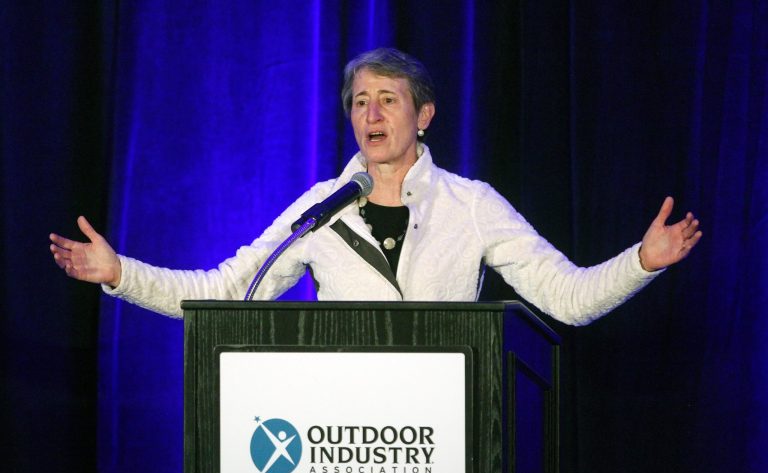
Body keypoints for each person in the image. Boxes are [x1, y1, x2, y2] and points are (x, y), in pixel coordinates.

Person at [49, 48, 702, 326]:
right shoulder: (319, 210)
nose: (371, 115)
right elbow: (227, 289)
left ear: (424, 115)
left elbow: (568, 297)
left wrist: (641, 260)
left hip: (446, 437)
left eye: (389, 100)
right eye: (360, 101)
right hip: (342, 437)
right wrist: (120, 273)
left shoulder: (470, 205)